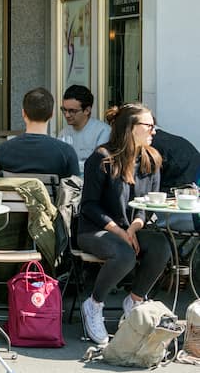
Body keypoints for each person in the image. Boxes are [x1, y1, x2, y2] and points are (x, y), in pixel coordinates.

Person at [78, 103, 171, 345]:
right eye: (149, 125)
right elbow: (88, 206)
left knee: (162, 246)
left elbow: (147, 203)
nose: (154, 131)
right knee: (125, 255)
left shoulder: (151, 158)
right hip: (96, 230)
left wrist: (134, 227)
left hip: (132, 229)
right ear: (131, 128)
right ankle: (94, 304)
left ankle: (135, 300)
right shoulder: (102, 158)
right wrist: (119, 230)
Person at [0, 87, 80, 179]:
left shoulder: (2, 150)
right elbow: (75, 190)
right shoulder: (66, 152)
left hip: (11, 196)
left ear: (23, 113)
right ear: (51, 114)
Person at [57, 84, 110, 166]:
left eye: (72, 111)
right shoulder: (63, 133)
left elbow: (100, 164)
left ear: (87, 110)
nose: (67, 115)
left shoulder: (103, 132)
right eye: (64, 110)